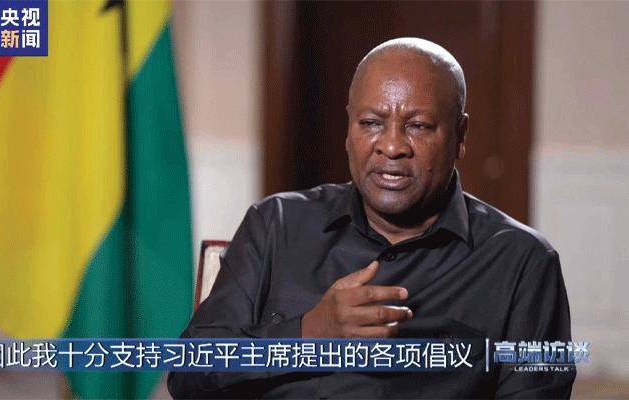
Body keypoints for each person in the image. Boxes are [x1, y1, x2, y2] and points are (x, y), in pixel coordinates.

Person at [168, 37, 575, 399]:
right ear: (349, 130)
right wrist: (306, 334)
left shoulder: (523, 262)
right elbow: (188, 376)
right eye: (371, 123)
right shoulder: (275, 223)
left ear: (460, 136)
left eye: (418, 126)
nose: (392, 146)